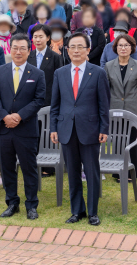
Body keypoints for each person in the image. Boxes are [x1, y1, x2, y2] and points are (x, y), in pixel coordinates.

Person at [50, 32, 109, 226]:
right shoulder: (60, 73)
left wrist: (104, 128)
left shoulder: (98, 72)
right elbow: (55, 104)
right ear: (67, 50)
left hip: (90, 129)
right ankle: (77, 210)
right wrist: (54, 128)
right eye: (72, 47)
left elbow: (103, 104)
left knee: (92, 172)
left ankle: (93, 212)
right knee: (73, 172)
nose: (76, 51)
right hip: (66, 129)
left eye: (80, 47)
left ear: (88, 50)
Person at [0, 33, 46, 219]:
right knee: (7, 167)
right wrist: (5, 116)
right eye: (15, 47)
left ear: (28, 51)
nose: (18, 51)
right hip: (4, 128)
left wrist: (19, 116)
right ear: (10, 49)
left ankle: (31, 204)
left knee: (29, 167)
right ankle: (12, 202)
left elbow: (39, 100)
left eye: (23, 48)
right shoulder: (0, 71)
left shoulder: (37, 74)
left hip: (26, 129)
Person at [105, 34, 137, 182]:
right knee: (117, 139)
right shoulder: (109, 66)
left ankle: (132, 172)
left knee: (131, 140)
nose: (123, 48)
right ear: (115, 48)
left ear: (132, 48)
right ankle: (117, 172)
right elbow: (106, 90)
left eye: (126, 45)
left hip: (132, 108)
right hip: (115, 108)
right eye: (120, 45)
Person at [28, 24, 64, 108]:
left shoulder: (55, 57)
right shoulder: (28, 56)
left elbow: (59, 80)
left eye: (41, 37)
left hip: (48, 99)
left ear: (48, 38)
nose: (38, 40)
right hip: (30, 99)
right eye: (35, 37)